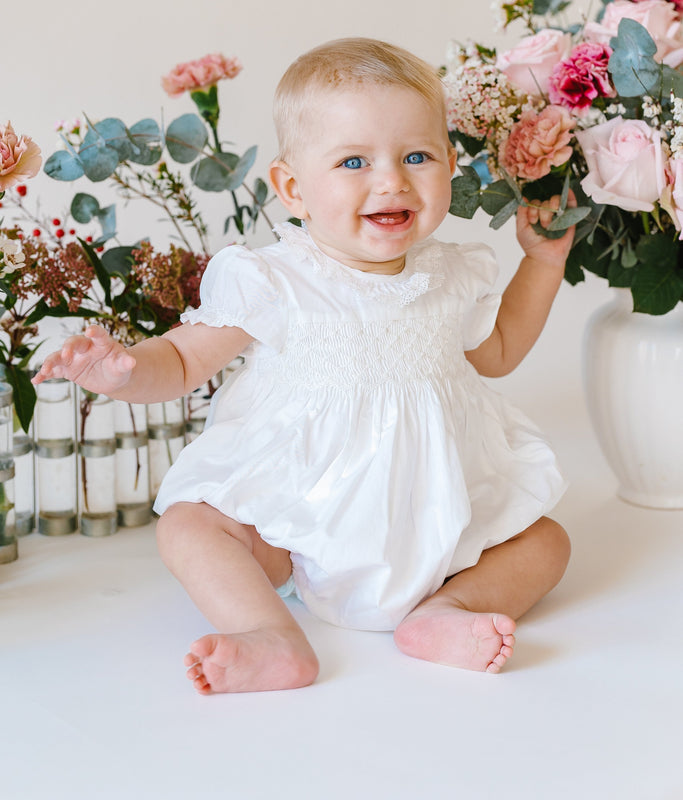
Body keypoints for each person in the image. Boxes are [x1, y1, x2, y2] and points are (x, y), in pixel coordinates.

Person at [33, 37, 572, 695]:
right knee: (189, 526)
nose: (391, 179)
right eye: (353, 160)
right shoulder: (272, 280)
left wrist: (542, 263)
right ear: (292, 188)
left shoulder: (453, 274)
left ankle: (444, 610)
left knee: (545, 542)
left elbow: (500, 351)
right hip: (294, 529)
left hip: (436, 516)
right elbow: (178, 361)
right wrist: (121, 370)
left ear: (448, 166)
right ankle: (270, 635)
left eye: (416, 156)